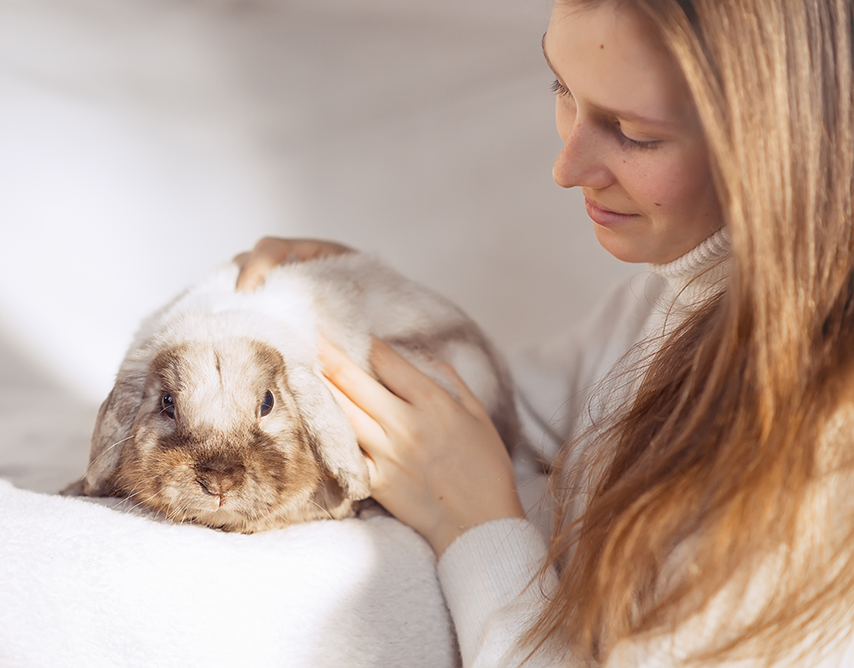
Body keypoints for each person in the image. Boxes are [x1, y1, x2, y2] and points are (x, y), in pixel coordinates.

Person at [234, 0, 854, 665]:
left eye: (633, 132)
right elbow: (524, 413)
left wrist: (472, 526)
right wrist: (371, 306)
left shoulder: (819, 472)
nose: (566, 167)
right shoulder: (681, 290)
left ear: (782, 140)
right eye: (561, 85)